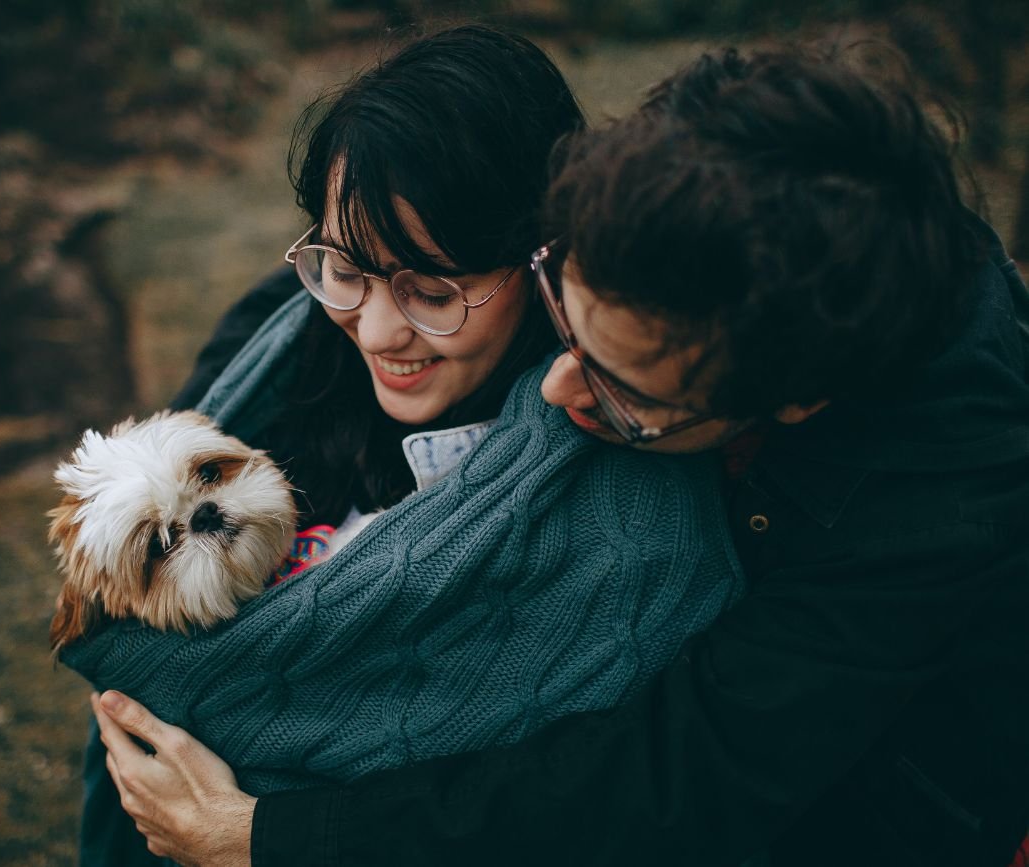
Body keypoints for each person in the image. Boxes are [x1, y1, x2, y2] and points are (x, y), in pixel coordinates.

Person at [89, 42, 1029, 867]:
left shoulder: (931, 505)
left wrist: (275, 838)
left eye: (628, 391)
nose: (556, 391)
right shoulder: (674, 196)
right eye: (565, 325)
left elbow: (684, 772)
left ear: (788, 404)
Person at [68, 25, 745, 866]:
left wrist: (258, 834)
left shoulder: (632, 497)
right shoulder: (275, 340)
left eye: (432, 289)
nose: (379, 330)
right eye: (346, 267)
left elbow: (613, 796)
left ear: (542, 257)